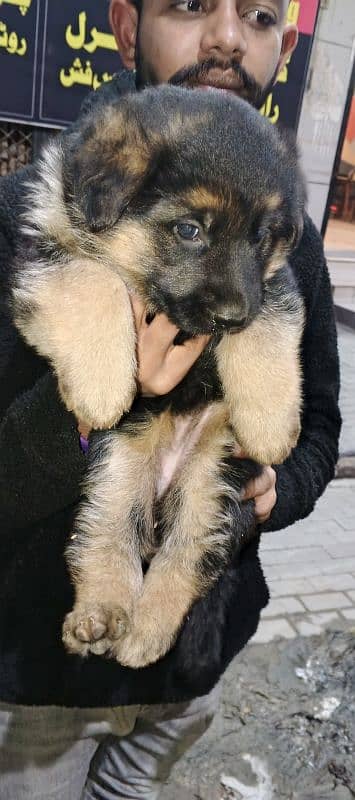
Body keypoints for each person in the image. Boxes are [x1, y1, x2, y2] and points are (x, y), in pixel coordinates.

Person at [0, 0, 341, 797]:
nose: (226, 36)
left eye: (258, 16)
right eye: (191, 5)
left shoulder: (285, 231)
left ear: (283, 48)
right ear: (124, 26)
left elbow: (315, 430)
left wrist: (268, 492)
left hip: (194, 667)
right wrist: (84, 409)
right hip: (38, 690)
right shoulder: (20, 214)